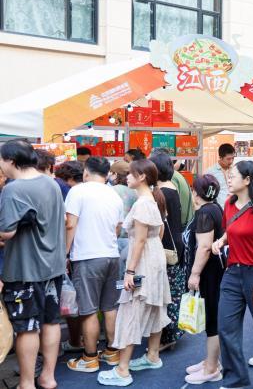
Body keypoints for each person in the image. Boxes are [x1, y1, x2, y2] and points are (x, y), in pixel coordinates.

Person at [97, 160, 171, 386]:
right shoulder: (152, 199)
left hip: (143, 261)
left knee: (131, 310)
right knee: (155, 306)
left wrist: (130, 271)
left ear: (142, 177)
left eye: (130, 174)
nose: (126, 177)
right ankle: (152, 355)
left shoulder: (143, 203)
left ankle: (122, 370)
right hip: (155, 258)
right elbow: (157, 234)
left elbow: (139, 240)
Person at [0, 140, 66, 389]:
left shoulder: (14, 189)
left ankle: (26, 383)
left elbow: (5, 232)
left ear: (11, 161)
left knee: (27, 328)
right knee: (50, 322)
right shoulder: (50, 182)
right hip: (54, 266)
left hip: (25, 269)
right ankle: (48, 377)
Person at [211, 161, 253, 388]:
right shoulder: (229, 205)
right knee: (226, 327)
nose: (228, 179)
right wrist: (221, 241)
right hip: (233, 272)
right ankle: (236, 378)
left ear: (248, 179)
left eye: (232, 176)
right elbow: (231, 232)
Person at [65, 157, 124, 372]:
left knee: (88, 309)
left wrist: (64, 253)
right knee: (110, 306)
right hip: (111, 255)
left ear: (86, 172)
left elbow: (70, 224)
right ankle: (112, 352)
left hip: (87, 257)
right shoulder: (114, 194)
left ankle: (89, 358)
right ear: (107, 173)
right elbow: (117, 229)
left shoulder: (78, 191)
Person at [182, 175, 226, 384]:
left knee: (212, 319)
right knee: (211, 317)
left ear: (196, 193)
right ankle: (211, 361)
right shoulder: (215, 208)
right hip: (213, 271)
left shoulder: (205, 213)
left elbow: (205, 246)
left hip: (209, 273)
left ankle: (211, 368)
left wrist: (195, 273)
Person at [150, 152, 186, 349]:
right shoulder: (172, 187)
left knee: (167, 293)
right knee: (173, 291)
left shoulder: (161, 192)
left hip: (166, 247)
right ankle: (171, 333)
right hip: (175, 245)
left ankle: (167, 336)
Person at [206, 143, 236, 208]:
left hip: (235, 208)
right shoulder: (211, 172)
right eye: (228, 159)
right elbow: (208, 193)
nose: (231, 161)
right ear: (220, 158)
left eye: (233, 158)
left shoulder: (235, 170)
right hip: (220, 209)